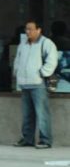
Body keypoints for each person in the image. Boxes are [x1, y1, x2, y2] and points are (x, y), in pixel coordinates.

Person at [13, 20, 58, 149]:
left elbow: (52, 60)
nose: (28, 32)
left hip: (39, 84)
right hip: (25, 83)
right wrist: (17, 72)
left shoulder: (46, 43)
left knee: (42, 113)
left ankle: (45, 140)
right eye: (26, 29)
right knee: (27, 114)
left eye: (31, 29)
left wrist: (42, 73)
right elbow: (18, 59)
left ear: (39, 30)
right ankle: (27, 139)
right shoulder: (23, 44)